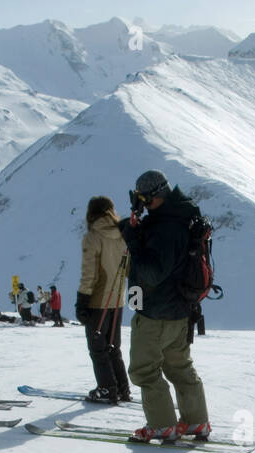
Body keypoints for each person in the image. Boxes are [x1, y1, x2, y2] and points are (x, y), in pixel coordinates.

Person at [117, 171, 210, 439]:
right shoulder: (177, 217)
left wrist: (133, 241)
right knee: (178, 366)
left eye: (146, 199)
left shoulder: (166, 227)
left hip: (156, 312)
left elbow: (152, 271)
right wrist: (137, 232)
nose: (143, 205)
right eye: (139, 200)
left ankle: (162, 425)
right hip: (178, 310)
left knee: (144, 369)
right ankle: (196, 422)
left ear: (159, 195)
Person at [79, 196, 132, 404]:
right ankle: (122, 388)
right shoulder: (122, 235)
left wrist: (82, 301)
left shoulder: (93, 236)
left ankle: (107, 388)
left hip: (97, 301)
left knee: (97, 348)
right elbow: (128, 269)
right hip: (117, 300)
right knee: (113, 347)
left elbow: (89, 274)